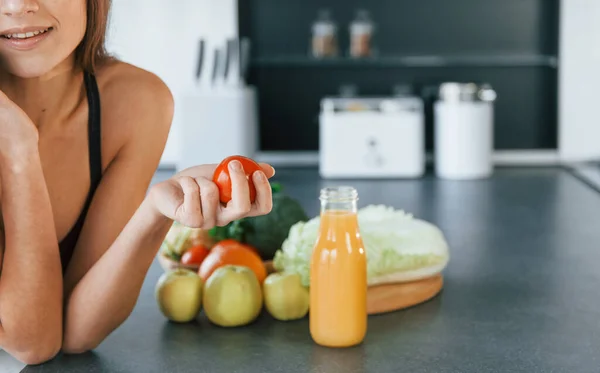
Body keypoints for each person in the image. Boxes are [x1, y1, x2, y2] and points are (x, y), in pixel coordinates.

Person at [0, 0, 274, 365]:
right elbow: (32, 342)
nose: (18, 5)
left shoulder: (136, 101)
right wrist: (18, 153)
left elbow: (79, 333)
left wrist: (155, 211)